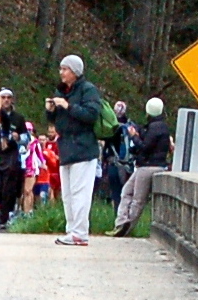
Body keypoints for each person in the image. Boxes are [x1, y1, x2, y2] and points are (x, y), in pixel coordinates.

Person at [45, 54, 103, 247]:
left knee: (80, 192)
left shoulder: (88, 90)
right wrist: (51, 110)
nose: (61, 72)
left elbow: (91, 115)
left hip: (84, 148)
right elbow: (56, 121)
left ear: (75, 72)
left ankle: (80, 232)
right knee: (68, 193)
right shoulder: (61, 91)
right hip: (66, 148)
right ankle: (72, 229)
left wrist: (68, 106)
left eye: (65, 69)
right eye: (61, 68)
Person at [108, 97, 171, 237]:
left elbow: (145, 147)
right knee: (126, 191)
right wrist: (138, 134)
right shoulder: (161, 127)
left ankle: (126, 227)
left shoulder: (154, 127)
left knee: (137, 199)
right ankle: (121, 223)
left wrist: (133, 137)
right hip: (151, 165)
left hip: (148, 166)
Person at [0, 88, 28, 226]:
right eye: (3, 97)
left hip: (11, 154)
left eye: (8, 97)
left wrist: (18, 137)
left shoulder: (18, 118)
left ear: (12, 99)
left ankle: (4, 217)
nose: (6, 100)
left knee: (8, 187)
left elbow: (26, 137)